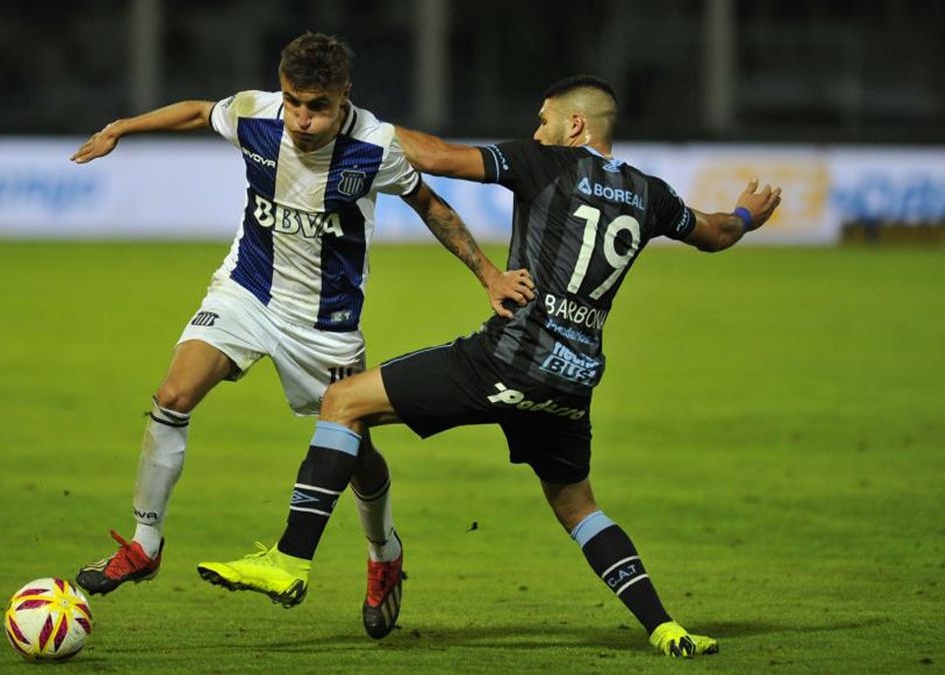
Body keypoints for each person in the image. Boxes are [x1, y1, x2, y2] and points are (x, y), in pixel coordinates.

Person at [197, 75, 782, 657]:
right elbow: (717, 232)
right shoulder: (651, 193)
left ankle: (291, 559)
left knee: (341, 401)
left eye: (544, 120)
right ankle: (665, 628)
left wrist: (354, 123)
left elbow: (437, 157)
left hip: (508, 358)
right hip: (571, 380)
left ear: (575, 125)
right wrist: (746, 215)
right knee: (578, 507)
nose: (537, 131)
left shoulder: (545, 163)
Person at [68, 32, 533, 641]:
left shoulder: (375, 146)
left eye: (317, 106)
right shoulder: (255, 115)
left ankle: (384, 552)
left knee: (355, 450)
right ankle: (144, 543)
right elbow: (196, 111)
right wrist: (121, 128)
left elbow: (431, 206)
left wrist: (489, 274)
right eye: (292, 101)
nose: (301, 119)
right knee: (174, 395)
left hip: (326, 324)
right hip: (246, 292)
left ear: (344, 98)